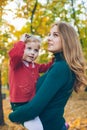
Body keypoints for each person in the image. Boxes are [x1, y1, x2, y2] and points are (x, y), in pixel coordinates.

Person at [8, 21, 87, 130]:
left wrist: (12, 116)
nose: (49, 38)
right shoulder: (59, 65)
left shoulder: (61, 67)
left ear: (67, 40)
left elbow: (33, 109)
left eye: (55, 35)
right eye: (49, 34)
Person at [8, 34, 54, 130]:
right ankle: (17, 115)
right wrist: (21, 41)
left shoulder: (35, 66)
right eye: (28, 48)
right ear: (22, 49)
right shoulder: (16, 64)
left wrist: (56, 57)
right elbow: (15, 54)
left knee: (44, 120)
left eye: (36, 50)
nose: (32, 53)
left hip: (32, 102)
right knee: (36, 128)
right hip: (19, 104)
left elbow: (47, 67)